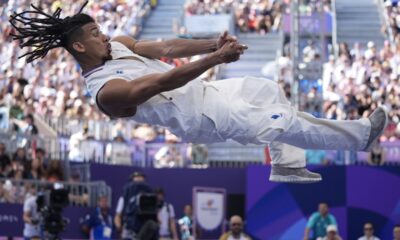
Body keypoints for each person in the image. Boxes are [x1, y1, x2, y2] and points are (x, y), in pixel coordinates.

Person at [10, 2, 388, 183]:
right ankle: (360, 138)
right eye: (94, 34)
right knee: (280, 121)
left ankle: (286, 166)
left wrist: (212, 45)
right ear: (78, 48)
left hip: (209, 92)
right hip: (200, 118)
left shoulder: (120, 43)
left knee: (266, 87)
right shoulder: (105, 93)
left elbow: (167, 49)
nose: (104, 35)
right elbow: (160, 82)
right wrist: (216, 59)